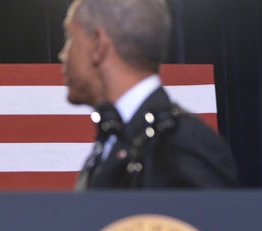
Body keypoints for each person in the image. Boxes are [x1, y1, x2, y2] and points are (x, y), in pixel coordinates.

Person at [60, 0, 239, 189]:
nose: (63, 54)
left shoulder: (184, 144)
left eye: (69, 37)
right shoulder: (111, 141)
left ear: (98, 45)